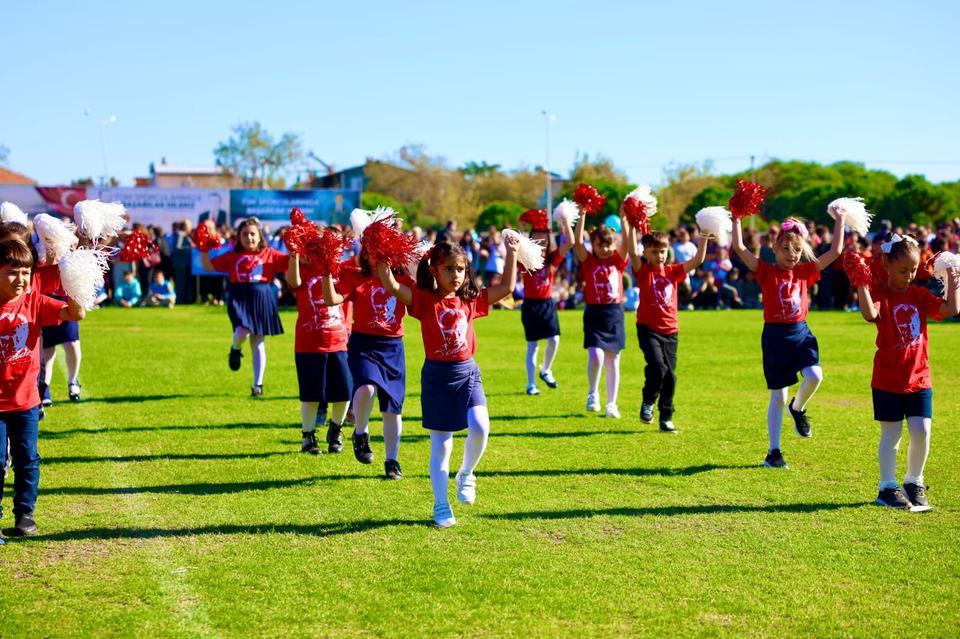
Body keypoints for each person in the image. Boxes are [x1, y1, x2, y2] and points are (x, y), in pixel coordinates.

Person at [376, 237, 518, 528]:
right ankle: (441, 503)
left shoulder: (470, 299)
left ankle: (466, 473)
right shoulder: (423, 299)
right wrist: (382, 252)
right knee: (441, 445)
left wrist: (512, 252)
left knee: (480, 426)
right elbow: (390, 285)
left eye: (461, 269)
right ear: (435, 270)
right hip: (437, 378)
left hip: (467, 373)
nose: (456, 275)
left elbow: (506, 288)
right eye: (449, 269)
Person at [731, 213, 844, 469]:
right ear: (775, 248)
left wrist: (840, 218)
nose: (791, 254)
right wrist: (737, 218)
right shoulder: (766, 270)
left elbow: (836, 250)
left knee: (815, 376)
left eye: (796, 249)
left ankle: (798, 408)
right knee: (778, 397)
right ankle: (774, 452)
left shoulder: (805, 271)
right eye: (785, 248)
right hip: (775, 337)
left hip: (801, 333)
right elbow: (739, 247)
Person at [855, 234, 958, 510]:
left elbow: (951, 308)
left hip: (919, 378)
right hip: (888, 379)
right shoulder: (881, 294)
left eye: (913, 270)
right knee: (892, 434)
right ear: (886, 264)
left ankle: (914, 480)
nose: (909, 276)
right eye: (903, 270)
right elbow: (869, 314)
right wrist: (861, 284)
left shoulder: (918, 294)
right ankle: (887, 487)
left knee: (922, 429)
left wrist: (952, 277)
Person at [0, 238, 85, 539]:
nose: (20, 279)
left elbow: (76, 315)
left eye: (25, 272)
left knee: (27, 459)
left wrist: (77, 286)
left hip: (25, 400)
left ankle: (25, 513)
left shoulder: (34, 301)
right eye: (12, 272)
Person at [322, 249, 414, 479]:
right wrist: (325, 274)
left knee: (392, 409)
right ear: (365, 253)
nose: (379, 255)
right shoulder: (356, 275)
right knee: (366, 388)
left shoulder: (403, 278)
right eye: (374, 250)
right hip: (364, 343)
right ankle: (360, 433)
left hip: (393, 347)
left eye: (385, 250)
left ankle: (392, 461)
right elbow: (331, 299)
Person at [626, 228, 708, 432]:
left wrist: (704, 236)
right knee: (657, 367)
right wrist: (628, 224)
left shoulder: (674, 271)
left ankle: (666, 416)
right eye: (654, 251)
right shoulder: (643, 271)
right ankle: (648, 401)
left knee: (670, 376)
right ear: (645, 252)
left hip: (670, 331)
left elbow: (697, 260)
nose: (659, 255)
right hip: (648, 329)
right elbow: (631, 250)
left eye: (662, 251)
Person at [200, 218, 289, 397]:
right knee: (241, 331)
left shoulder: (270, 253)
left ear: (260, 236)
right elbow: (208, 266)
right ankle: (235, 349)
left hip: (262, 296)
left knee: (258, 342)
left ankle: (258, 385)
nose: (249, 237)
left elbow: (293, 261)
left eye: (252, 233)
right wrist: (203, 247)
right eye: (245, 234)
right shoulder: (232, 255)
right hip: (239, 296)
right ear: (238, 237)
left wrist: (298, 246)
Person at [286, 252, 353, 458]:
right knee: (311, 394)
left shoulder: (342, 269)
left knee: (345, 390)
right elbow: (293, 281)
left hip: (338, 341)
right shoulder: (303, 269)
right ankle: (308, 436)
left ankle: (335, 429)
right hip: (309, 343)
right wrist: (296, 254)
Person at [571, 211, 629, 418]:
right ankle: (593, 392)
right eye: (600, 245)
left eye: (608, 245)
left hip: (614, 313)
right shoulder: (588, 261)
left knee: (614, 359)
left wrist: (625, 221)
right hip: (594, 312)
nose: (604, 249)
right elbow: (577, 242)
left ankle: (612, 404)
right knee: (596, 355)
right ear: (593, 245)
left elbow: (628, 243)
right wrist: (583, 214)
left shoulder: (618, 260)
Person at [520, 221, 572, 396]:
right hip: (530, 304)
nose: (540, 241)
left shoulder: (552, 258)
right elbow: (515, 247)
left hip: (547, 303)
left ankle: (545, 370)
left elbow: (570, 243)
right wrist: (521, 227)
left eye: (544, 239)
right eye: (536, 238)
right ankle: (531, 384)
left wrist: (565, 222)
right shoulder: (524, 259)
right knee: (532, 346)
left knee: (554, 340)